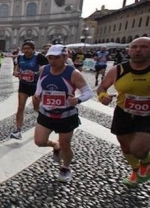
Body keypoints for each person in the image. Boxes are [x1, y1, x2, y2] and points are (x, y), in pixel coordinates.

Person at [32, 45, 92, 182]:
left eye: (57, 58)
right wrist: (37, 97)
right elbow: (40, 86)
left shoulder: (73, 73)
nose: (53, 61)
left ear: (65, 57)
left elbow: (88, 92)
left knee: (66, 145)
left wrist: (77, 99)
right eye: (50, 58)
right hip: (46, 113)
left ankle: (65, 167)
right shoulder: (43, 70)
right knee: (39, 141)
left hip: (66, 115)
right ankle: (55, 145)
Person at [97, 37, 150, 187]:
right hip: (123, 112)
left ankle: (146, 163)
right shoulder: (118, 70)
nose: (138, 50)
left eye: (144, 47)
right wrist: (103, 97)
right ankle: (136, 170)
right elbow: (102, 88)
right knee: (126, 147)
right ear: (129, 50)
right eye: (134, 47)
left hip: (147, 115)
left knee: (138, 150)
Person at [10, 41, 48, 139]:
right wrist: (16, 72)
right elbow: (17, 67)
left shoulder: (39, 57)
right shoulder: (20, 57)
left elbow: (47, 69)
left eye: (28, 48)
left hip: (36, 85)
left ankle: (45, 122)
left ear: (33, 49)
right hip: (24, 84)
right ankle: (18, 130)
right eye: (24, 48)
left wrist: (35, 74)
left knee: (36, 108)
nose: (26, 50)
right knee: (20, 106)